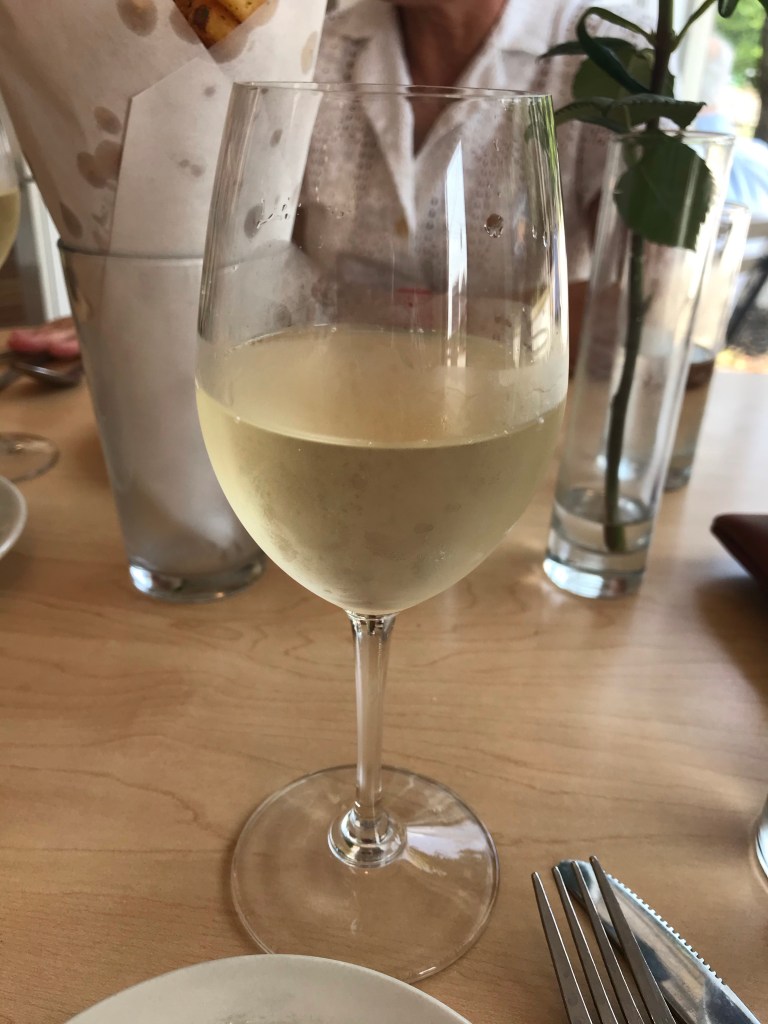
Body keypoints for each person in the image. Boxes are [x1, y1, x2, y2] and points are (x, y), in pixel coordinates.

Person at [312, 0, 641, 346]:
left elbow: (642, 303)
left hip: (520, 384)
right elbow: (273, 262)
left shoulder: (614, 51)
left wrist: (421, 327)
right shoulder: (315, 44)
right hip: (316, 375)